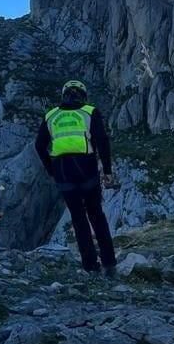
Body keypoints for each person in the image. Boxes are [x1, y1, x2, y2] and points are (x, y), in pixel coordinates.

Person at [35, 80, 118, 276]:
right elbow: (102, 141)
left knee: (78, 219)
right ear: (83, 95)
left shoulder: (51, 116)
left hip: (63, 175)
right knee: (96, 215)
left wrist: (51, 169)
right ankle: (109, 263)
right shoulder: (89, 112)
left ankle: (90, 266)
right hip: (87, 170)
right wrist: (107, 171)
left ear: (64, 95)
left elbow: (39, 146)